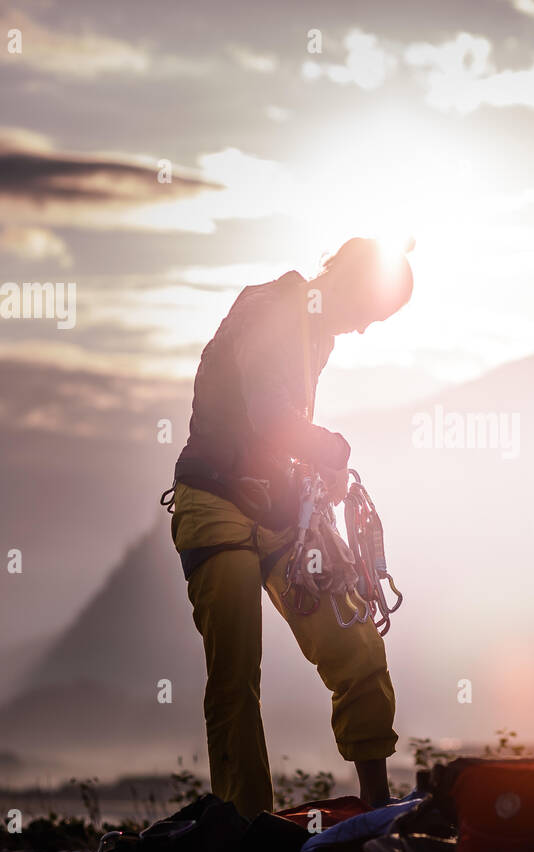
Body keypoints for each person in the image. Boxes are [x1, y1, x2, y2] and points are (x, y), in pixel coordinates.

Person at [163, 238, 413, 818]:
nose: (367, 329)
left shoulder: (316, 332)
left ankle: (375, 812)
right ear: (348, 281)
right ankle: (246, 829)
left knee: (355, 645)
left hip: (277, 512)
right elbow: (272, 418)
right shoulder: (272, 310)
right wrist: (331, 449)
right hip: (214, 506)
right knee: (236, 676)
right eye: (372, 313)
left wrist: (312, 473)